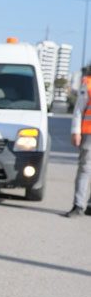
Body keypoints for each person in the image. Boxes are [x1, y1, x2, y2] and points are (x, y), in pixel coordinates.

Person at [64, 73, 91, 217]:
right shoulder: (88, 83)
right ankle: (78, 205)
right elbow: (79, 109)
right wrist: (76, 131)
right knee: (85, 168)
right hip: (89, 133)